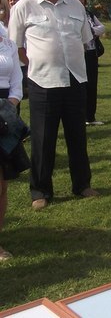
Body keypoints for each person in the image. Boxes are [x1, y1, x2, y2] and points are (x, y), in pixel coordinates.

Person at [9, 0, 98, 210]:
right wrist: (36, 64)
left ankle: (82, 184)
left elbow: (84, 40)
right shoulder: (24, 7)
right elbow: (16, 46)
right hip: (43, 82)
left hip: (75, 80)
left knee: (77, 136)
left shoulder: (76, 5)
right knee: (43, 139)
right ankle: (40, 191)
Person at [0, 21, 28, 260]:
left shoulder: (8, 43)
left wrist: (10, 104)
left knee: (2, 186)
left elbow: (17, 82)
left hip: (5, 114)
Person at [68, 0, 106, 126]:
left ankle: (90, 116)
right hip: (77, 54)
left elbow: (102, 27)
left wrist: (90, 31)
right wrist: (89, 32)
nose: (79, 1)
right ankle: (79, 117)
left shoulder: (88, 13)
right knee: (79, 86)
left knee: (92, 85)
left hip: (91, 53)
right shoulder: (68, 14)